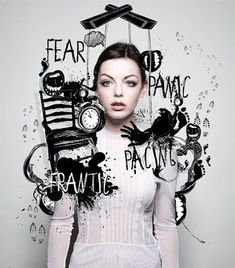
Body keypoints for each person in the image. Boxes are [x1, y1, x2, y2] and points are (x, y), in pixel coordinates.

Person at [47, 42, 179, 268]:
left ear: (144, 88)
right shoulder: (74, 148)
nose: (118, 92)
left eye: (130, 82)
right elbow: (61, 222)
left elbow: (166, 226)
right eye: (107, 82)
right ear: (96, 88)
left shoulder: (162, 149)